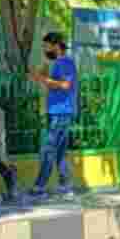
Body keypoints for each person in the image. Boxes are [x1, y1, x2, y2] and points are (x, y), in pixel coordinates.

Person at [27, 31, 78, 199]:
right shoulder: (58, 62)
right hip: (58, 112)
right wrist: (41, 76)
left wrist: (41, 78)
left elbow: (64, 85)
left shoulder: (64, 62)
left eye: (46, 46)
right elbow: (53, 83)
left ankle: (39, 187)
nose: (44, 49)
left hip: (61, 113)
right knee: (59, 152)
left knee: (48, 149)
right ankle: (66, 187)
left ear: (56, 45)